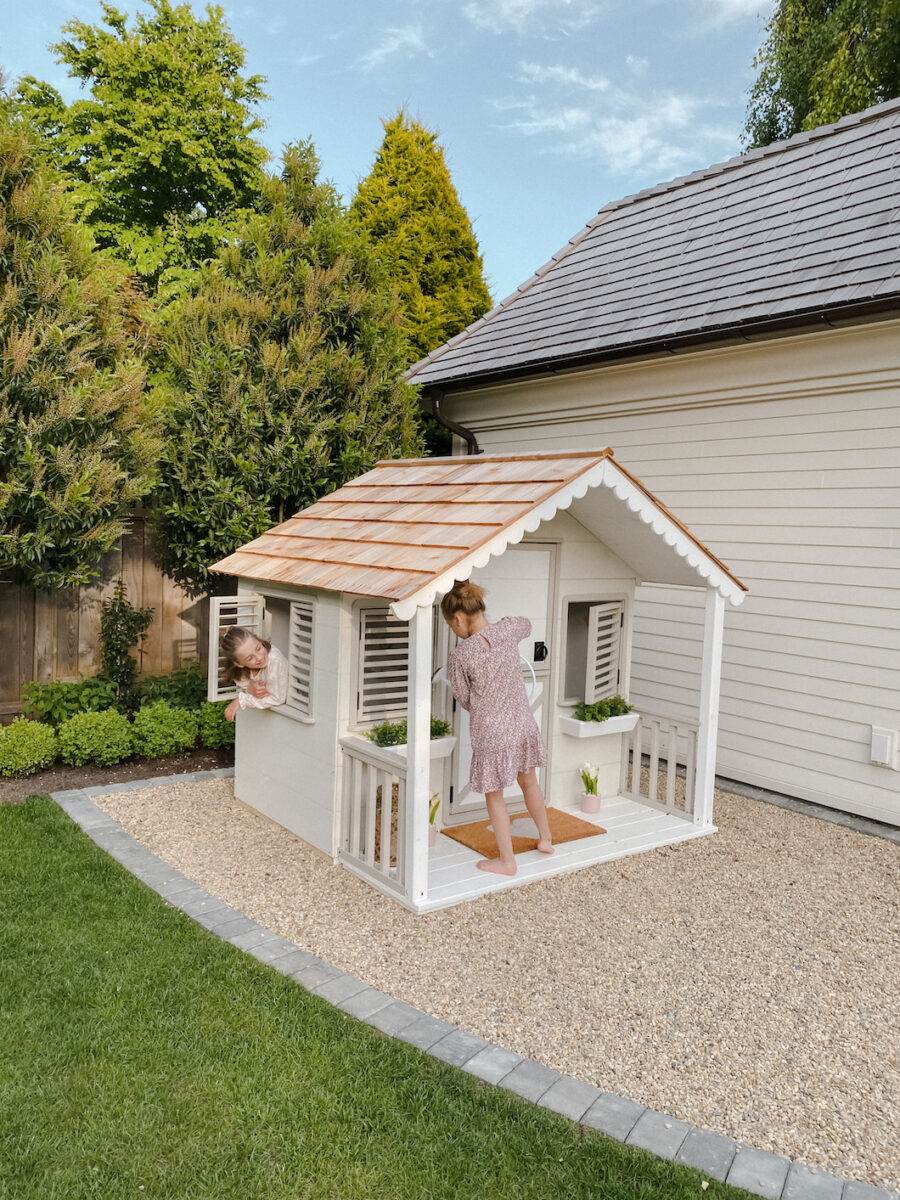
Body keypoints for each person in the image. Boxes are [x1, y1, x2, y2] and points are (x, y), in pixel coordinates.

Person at [441, 579, 553, 876]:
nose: (456, 632)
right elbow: (526, 624)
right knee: (530, 782)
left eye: (453, 626)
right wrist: (504, 624)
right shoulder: (507, 630)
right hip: (522, 724)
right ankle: (546, 839)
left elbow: (464, 699)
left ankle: (507, 861)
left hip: (491, 731)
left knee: (495, 795)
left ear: (459, 618)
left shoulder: (461, 656)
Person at [219, 627, 288, 722]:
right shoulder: (241, 673)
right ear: (239, 664)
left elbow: (277, 698)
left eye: (258, 648)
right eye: (250, 658)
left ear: (258, 639)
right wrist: (249, 689)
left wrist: (241, 700)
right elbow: (249, 687)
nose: (259, 657)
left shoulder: (275, 660)